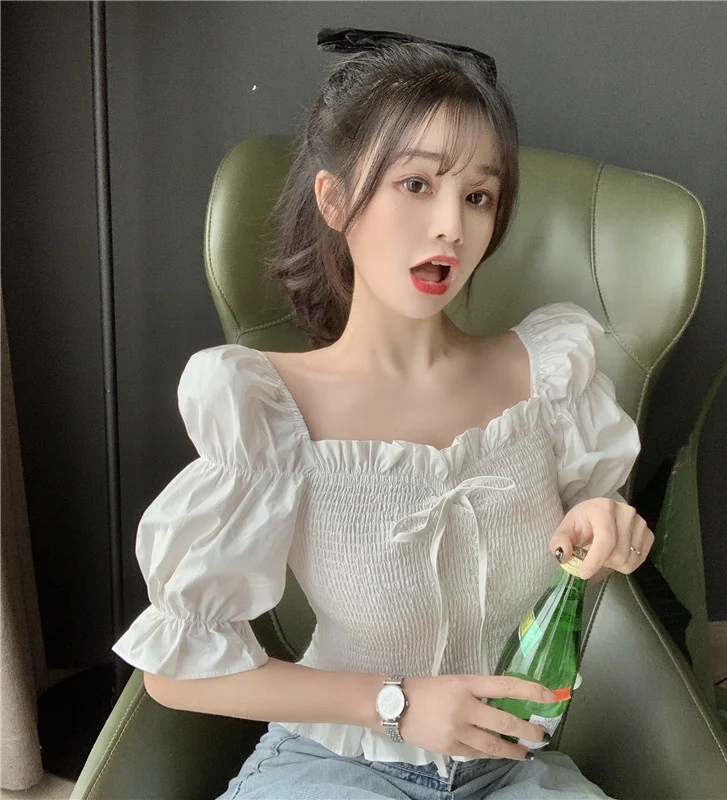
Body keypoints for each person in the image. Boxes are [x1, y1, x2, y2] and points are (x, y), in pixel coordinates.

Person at [112, 27, 654, 800]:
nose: (452, 226)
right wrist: (397, 703)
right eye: (416, 184)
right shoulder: (272, 411)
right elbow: (175, 672)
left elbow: (589, 538)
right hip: (337, 764)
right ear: (335, 201)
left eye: (478, 196)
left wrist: (606, 523)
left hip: (511, 768)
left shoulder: (548, 378)